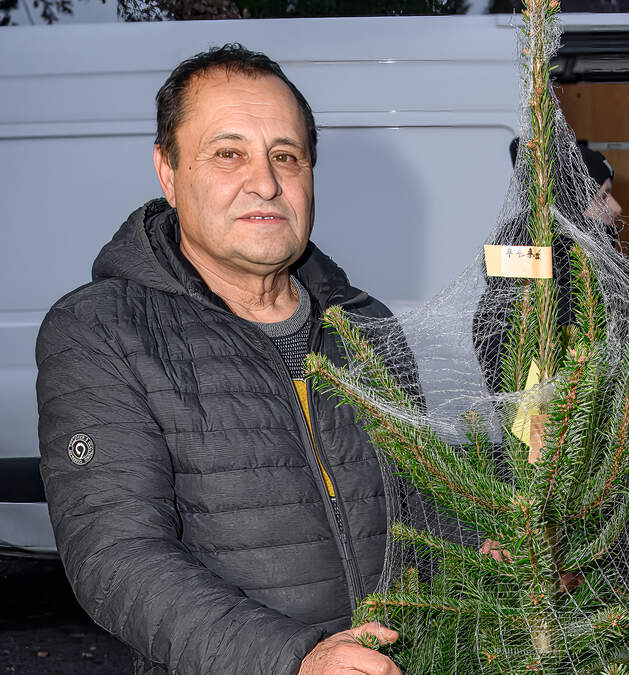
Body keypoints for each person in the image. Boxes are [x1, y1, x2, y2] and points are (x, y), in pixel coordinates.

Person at [35, 45, 411, 674]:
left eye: (286, 157)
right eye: (228, 153)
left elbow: (419, 506)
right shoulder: (101, 331)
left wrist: (490, 549)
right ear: (168, 170)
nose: (265, 182)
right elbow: (116, 556)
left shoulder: (365, 323)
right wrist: (294, 661)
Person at [476, 140, 629, 546]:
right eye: (602, 196)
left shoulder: (592, 277)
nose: (616, 209)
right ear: (569, 208)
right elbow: (533, 422)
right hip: (582, 532)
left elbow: (614, 346)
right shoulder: (519, 298)